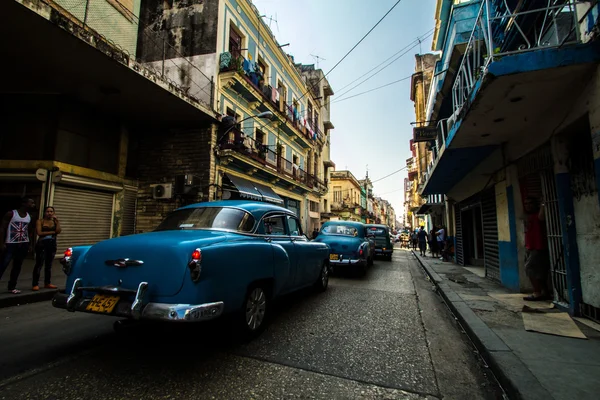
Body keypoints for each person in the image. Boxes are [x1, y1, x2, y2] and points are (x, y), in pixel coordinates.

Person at [0, 198, 36, 294]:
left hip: (23, 243)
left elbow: (29, 231)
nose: (33, 204)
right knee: (3, 264)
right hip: (10, 243)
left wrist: (30, 244)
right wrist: (2, 242)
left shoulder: (29, 216)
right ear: (24, 203)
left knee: (17, 266)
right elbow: (2, 228)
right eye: (31, 202)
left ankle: (12, 286)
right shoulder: (11, 214)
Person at [522, 197, 550, 301]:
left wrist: (543, 204)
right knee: (539, 272)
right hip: (530, 247)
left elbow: (541, 217)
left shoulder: (539, 214)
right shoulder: (528, 216)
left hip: (539, 247)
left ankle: (537, 292)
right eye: (526, 204)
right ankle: (544, 292)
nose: (528, 206)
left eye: (530, 203)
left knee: (530, 268)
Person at [32, 206, 61, 291]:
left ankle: (47, 283)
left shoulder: (54, 222)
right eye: (48, 211)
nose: (49, 213)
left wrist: (57, 221)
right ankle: (35, 284)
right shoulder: (40, 221)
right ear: (44, 212)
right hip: (42, 244)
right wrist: (52, 232)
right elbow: (39, 232)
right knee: (39, 264)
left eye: (51, 211)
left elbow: (58, 231)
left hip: (52, 244)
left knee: (49, 265)